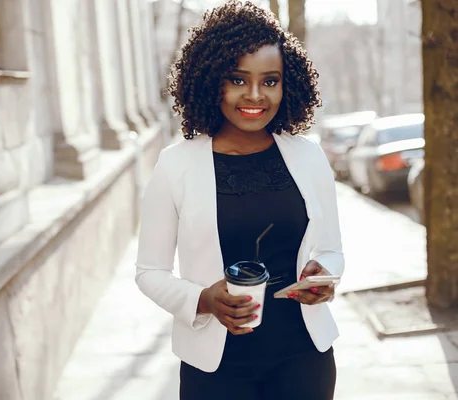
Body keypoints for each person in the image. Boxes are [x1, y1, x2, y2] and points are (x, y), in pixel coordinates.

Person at [135, 2, 344, 399]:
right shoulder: (175, 165)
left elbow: (332, 251)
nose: (254, 95)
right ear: (212, 80)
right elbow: (149, 271)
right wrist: (202, 299)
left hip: (304, 362)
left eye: (270, 81)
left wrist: (324, 277)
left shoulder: (309, 157)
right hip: (215, 371)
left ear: (288, 84)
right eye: (237, 79)